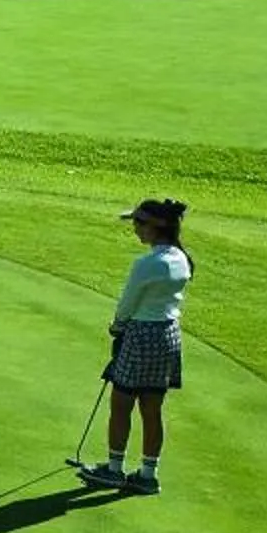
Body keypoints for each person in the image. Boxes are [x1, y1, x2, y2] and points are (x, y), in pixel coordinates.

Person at [85, 198, 190, 494]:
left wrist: (117, 327)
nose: (135, 229)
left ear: (157, 227)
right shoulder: (182, 258)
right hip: (168, 335)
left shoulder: (147, 264)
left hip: (141, 333)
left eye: (140, 224)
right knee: (152, 407)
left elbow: (127, 303)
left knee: (121, 403)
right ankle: (147, 474)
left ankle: (114, 470)